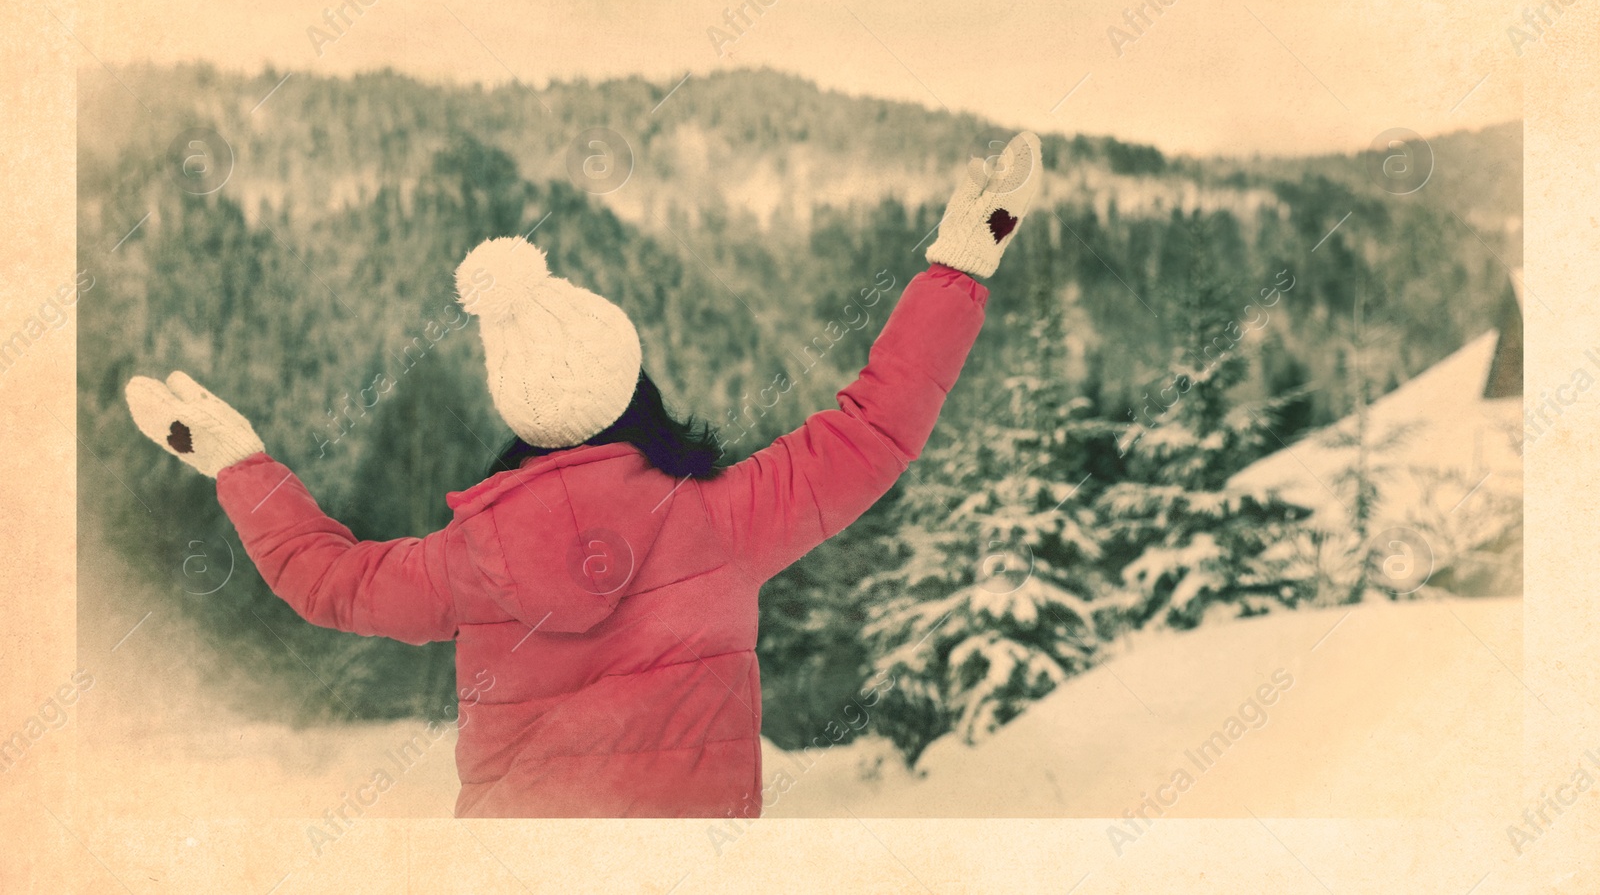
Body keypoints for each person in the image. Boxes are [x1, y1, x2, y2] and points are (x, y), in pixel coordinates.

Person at [124, 130, 1042, 817]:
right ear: (636, 387)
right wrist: (960, 263)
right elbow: (875, 427)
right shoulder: (723, 520)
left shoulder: (468, 561)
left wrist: (240, 463)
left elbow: (326, 580)